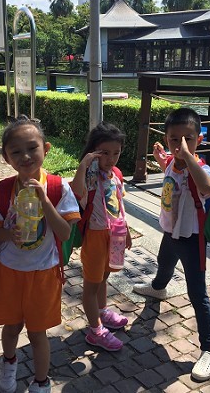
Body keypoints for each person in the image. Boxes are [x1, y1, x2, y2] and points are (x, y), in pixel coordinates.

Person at [0, 116, 80, 393]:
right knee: (11, 326)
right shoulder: (4, 189)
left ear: (46, 149)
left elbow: (65, 233)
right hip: (9, 270)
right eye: (16, 151)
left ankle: (41, 380)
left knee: (38, 333)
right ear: (6, 158)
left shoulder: (58, 187)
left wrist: (45, 201)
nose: (25, 156)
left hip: (43, 272)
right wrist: (8, 234)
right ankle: (9, 362)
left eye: (32, 148)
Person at [131, 107, 210, 382]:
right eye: (174, 139)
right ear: (166, 139)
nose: (180, 145)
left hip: (192, 239)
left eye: (188, 139)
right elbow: (173, 180)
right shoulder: (172, 162)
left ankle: (209, 349)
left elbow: (207, 188)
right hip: (170, 232)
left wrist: (188, 157)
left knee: (197, 294)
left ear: (199, 140)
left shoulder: (200, 168)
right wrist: (163, 161)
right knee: (164, 263)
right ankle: (158, 289)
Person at [69, 122, 132, 352]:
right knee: (91, 285)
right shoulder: (90, 175)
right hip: (95, 236)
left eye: (116, 153)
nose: (111, 159)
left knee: (104, 276)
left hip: (114, 234)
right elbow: (76, 192)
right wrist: (83, 165)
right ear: (93, 151)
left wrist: (127, 231)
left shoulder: (116, 174)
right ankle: (95, 331)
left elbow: (119, 204)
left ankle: (102, 312)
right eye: (105, 153)